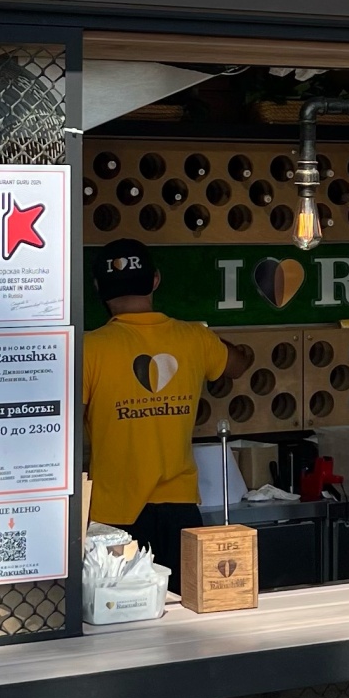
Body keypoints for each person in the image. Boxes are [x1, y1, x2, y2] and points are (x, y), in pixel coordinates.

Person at [82, 240, 230, 579]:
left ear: (98, 287)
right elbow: (236, 364)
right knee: (187, 602)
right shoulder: (195, 338)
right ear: (155, 280)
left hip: (114, 514)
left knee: (119, 605)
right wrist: (206, 341)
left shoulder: (89, 349)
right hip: (181, 508)